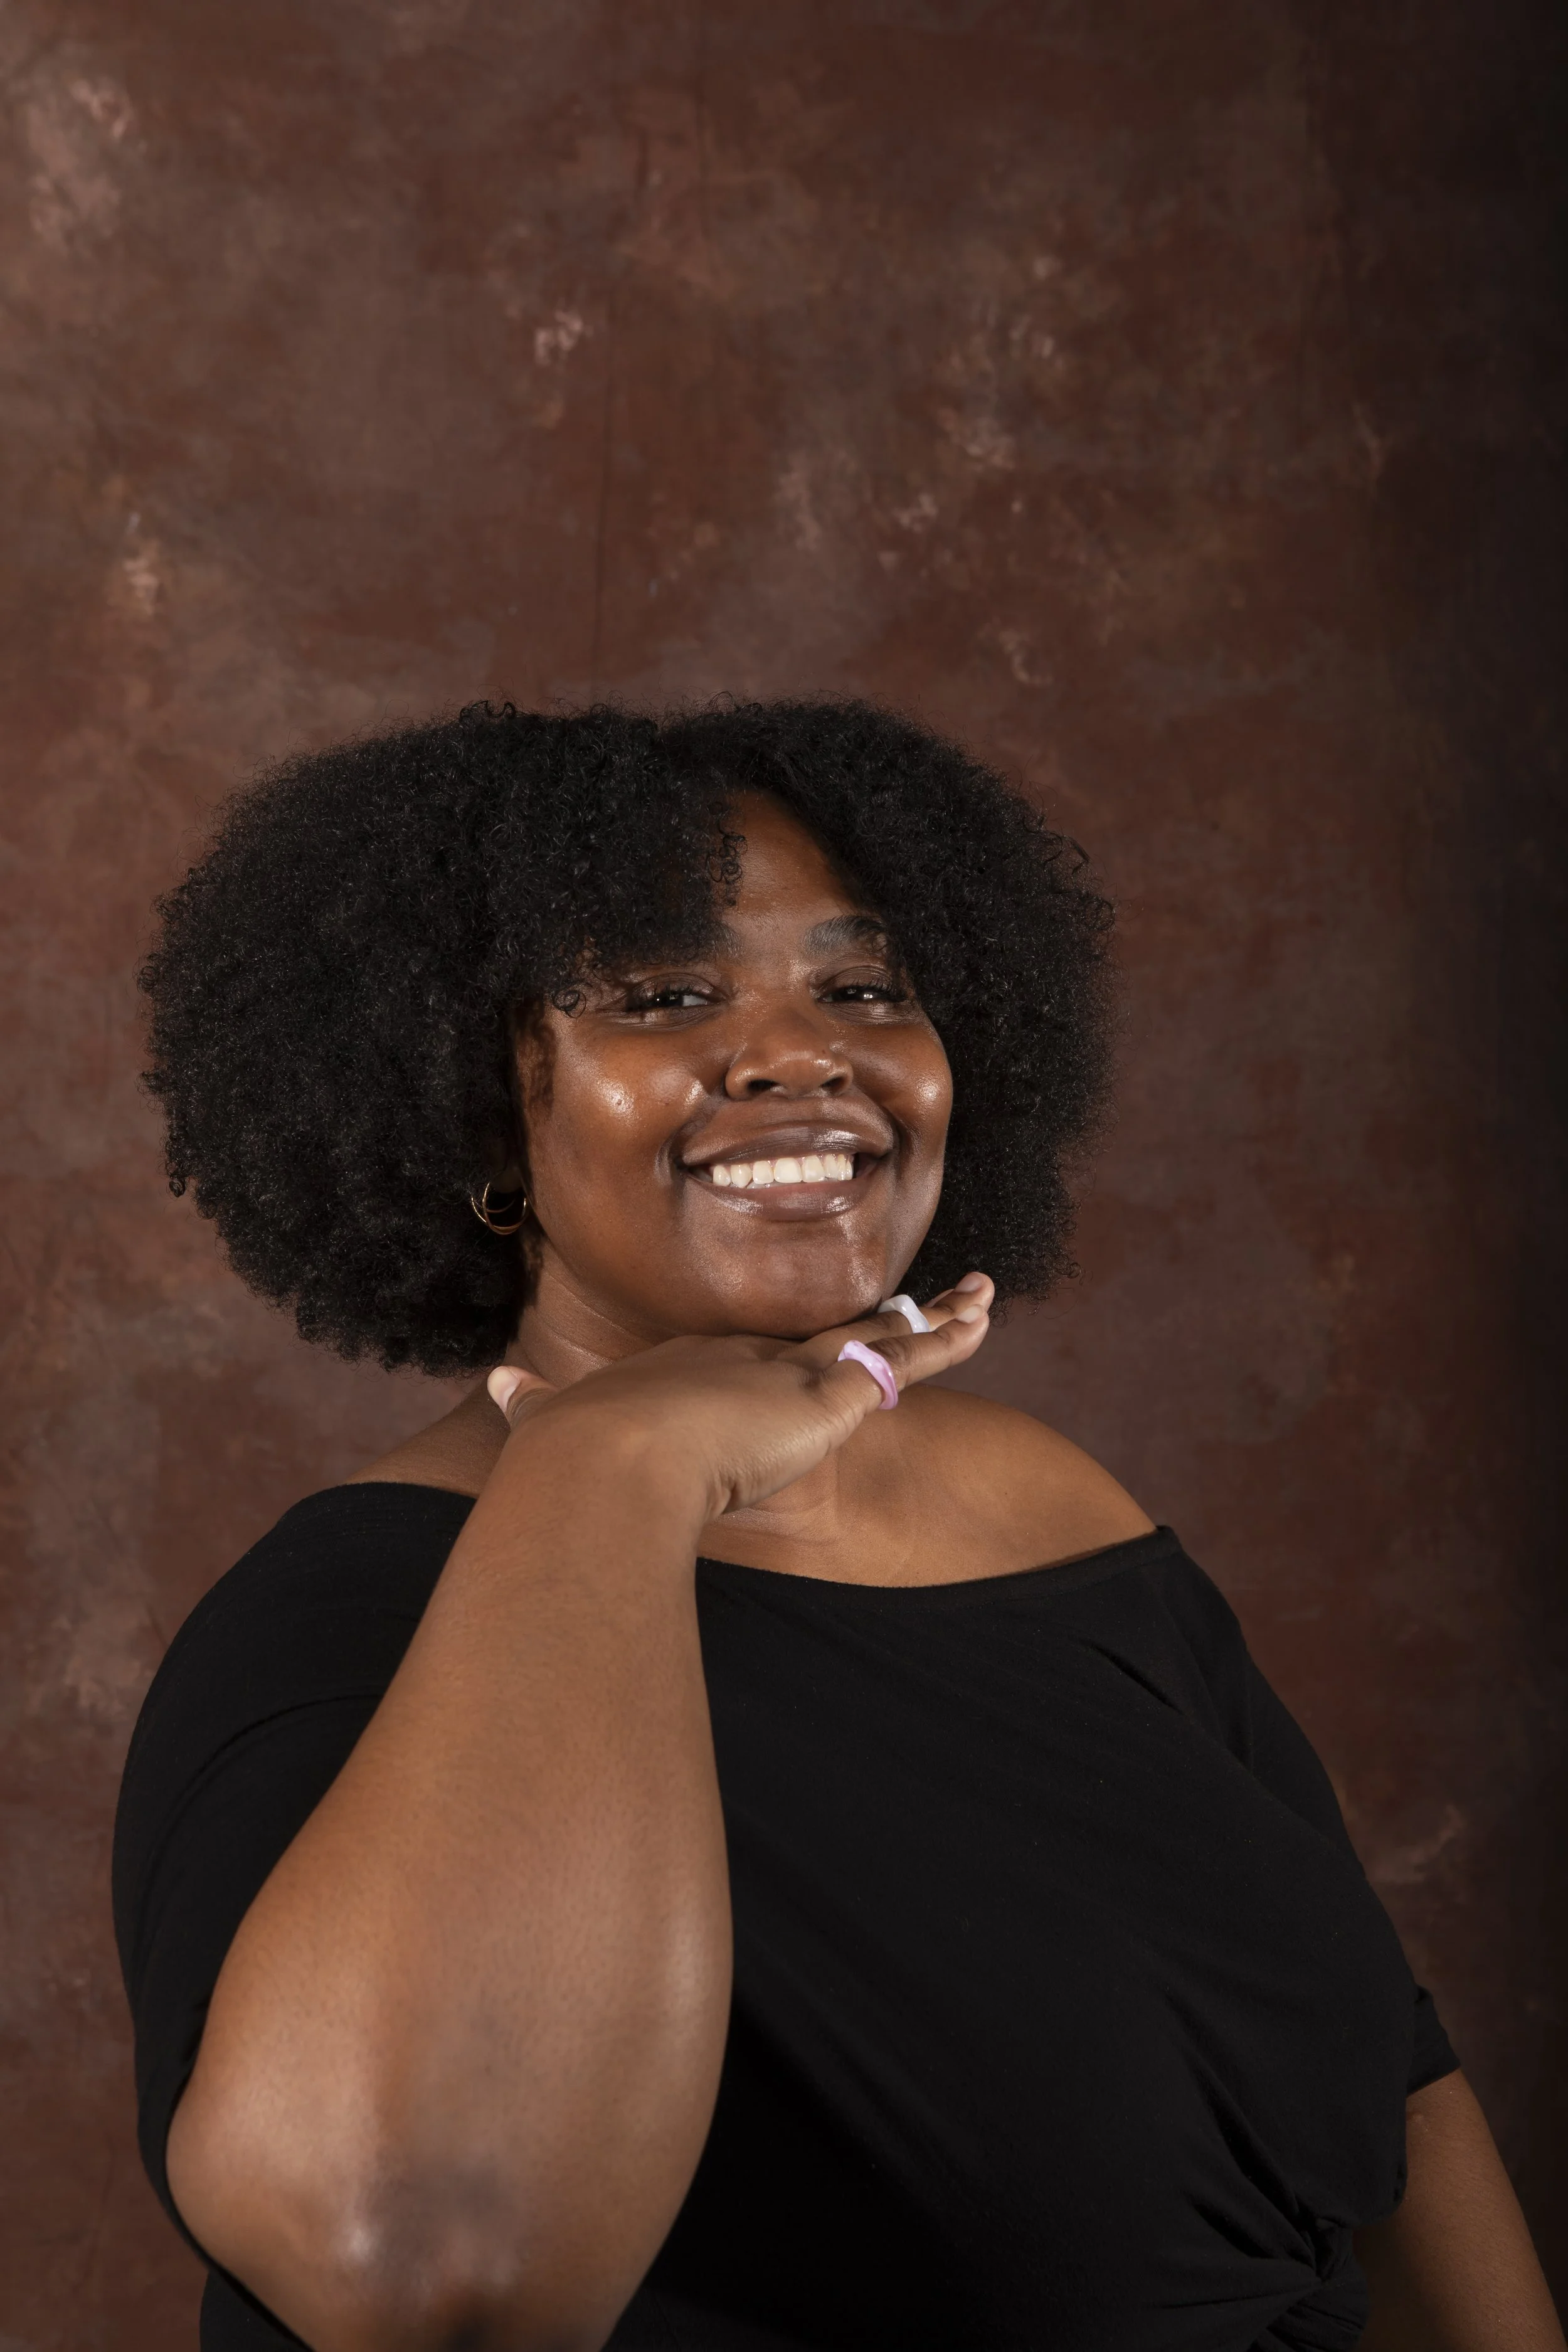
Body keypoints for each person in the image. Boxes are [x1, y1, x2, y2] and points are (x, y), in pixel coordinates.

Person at [114, 698, 1562, 2352]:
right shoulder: (329, 1630)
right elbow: (419, 2259)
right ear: (474, 1117)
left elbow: (1387, 2080)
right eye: (666, 994)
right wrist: (614, 1472)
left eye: (863, 986)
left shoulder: (1050, 1509)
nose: (804, 1050)